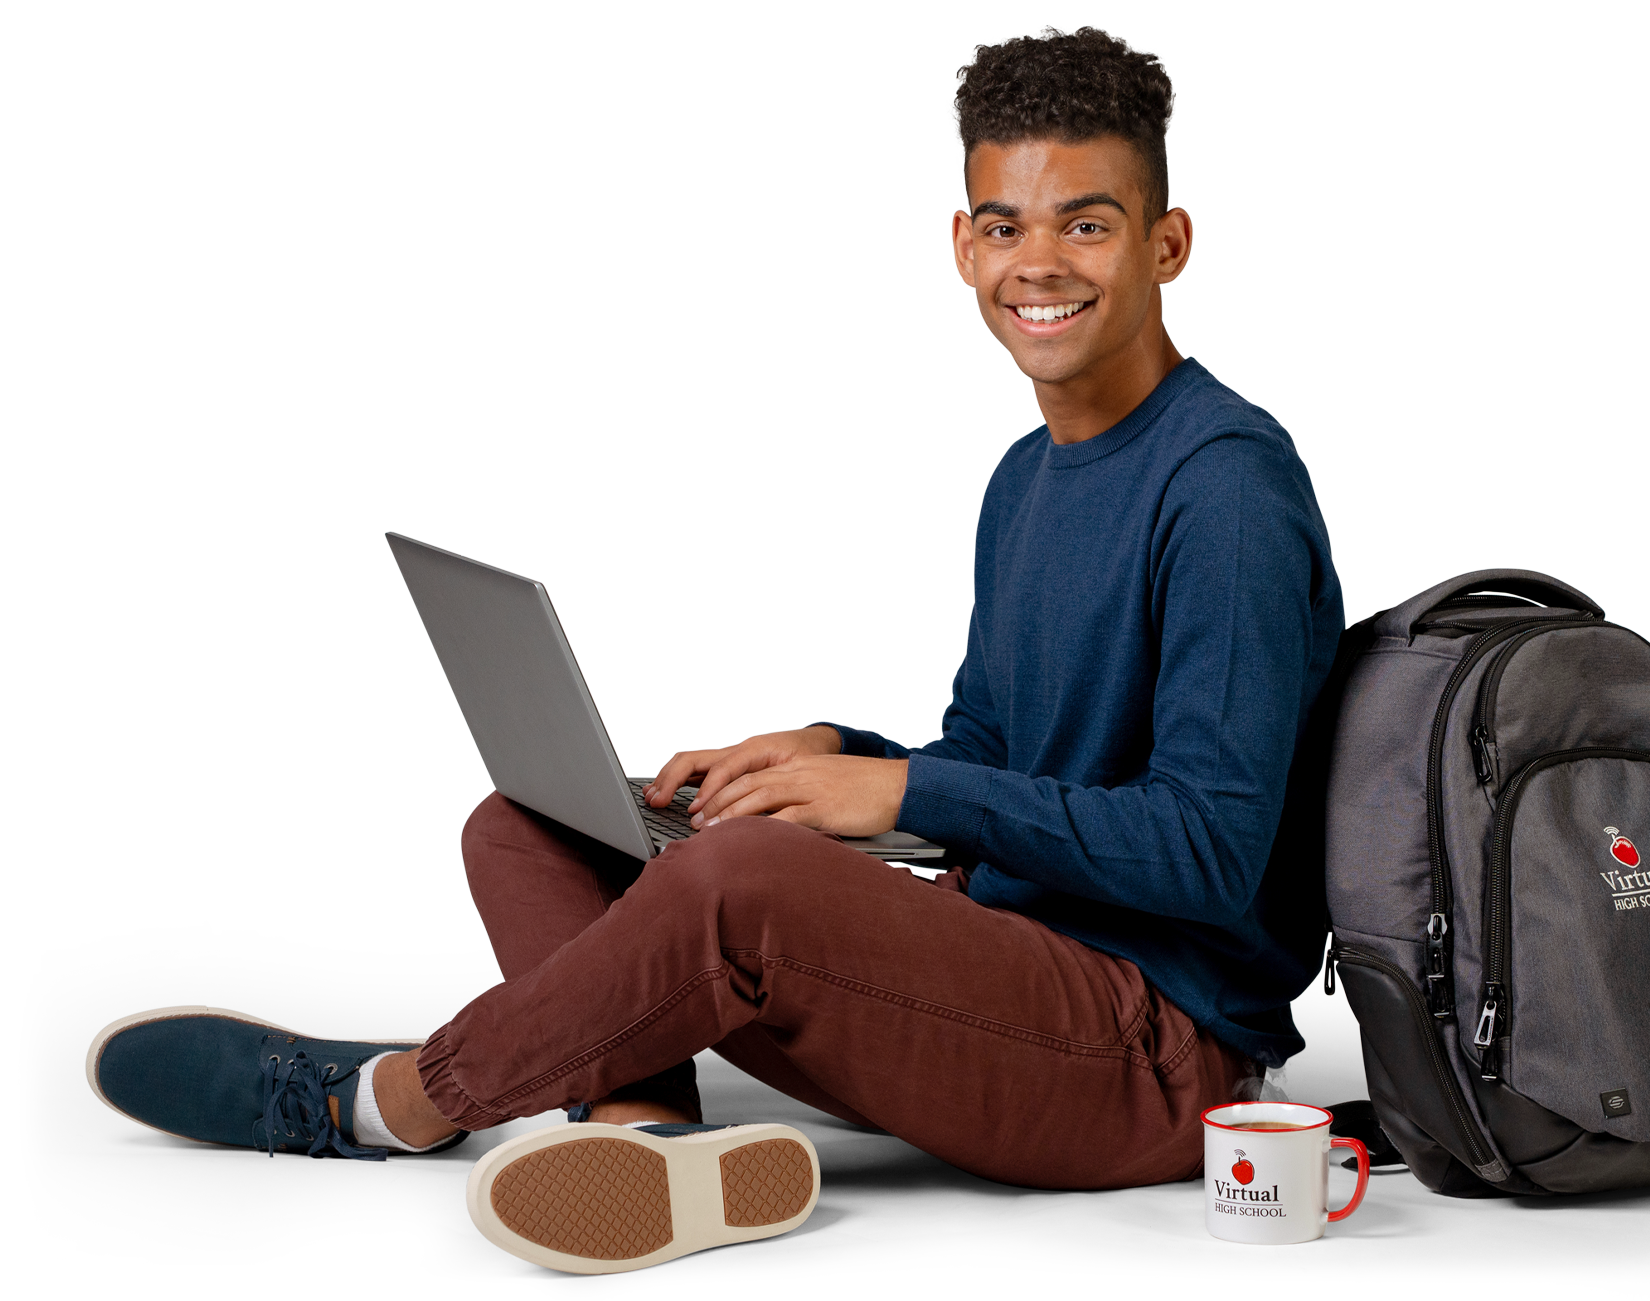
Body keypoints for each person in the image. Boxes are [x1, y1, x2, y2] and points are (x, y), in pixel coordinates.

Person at [84, 24, 1345, 1274]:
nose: (1039, 264)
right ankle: (648, 1135)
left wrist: (898, 792)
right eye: (1005, 225)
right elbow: (990, 757)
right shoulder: (1025, 478)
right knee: (530, 824)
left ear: (1166, 242)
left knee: (736, 879)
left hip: (1157, 1058)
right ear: (962, 244)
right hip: (996, 975)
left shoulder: (1226, 484)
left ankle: (381, 1104)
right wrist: (833, 753)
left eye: (1087, 222)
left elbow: (1207, 850)